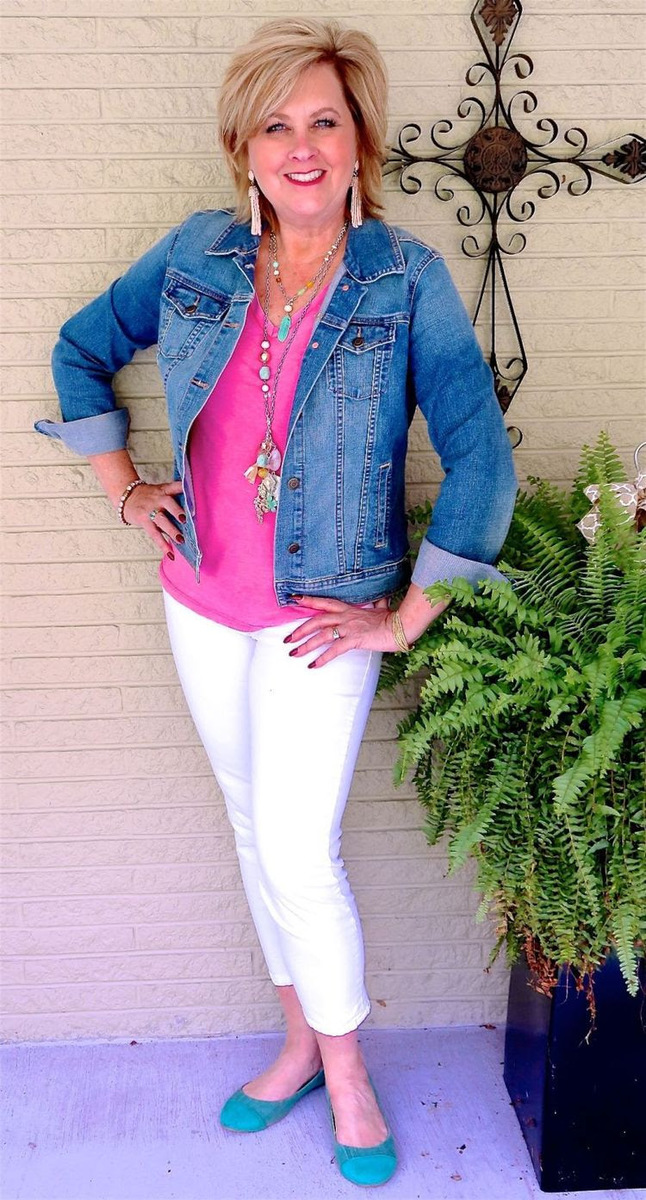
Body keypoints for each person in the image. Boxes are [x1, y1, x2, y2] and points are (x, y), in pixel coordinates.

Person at [35, 17, 518, 1188]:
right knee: (255, 829)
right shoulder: (197, 257)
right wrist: (125, 487)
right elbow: (80, 348)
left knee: (299, 850)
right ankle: (300, 1045)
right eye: (275, 125)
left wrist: (404, 616)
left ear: (359, 143)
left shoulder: (404, 280)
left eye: (324, 122)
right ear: (242, 148)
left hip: (323, 614)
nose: (301, 147)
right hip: (200, 599)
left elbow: (480, 456)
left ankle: (346, 1074)